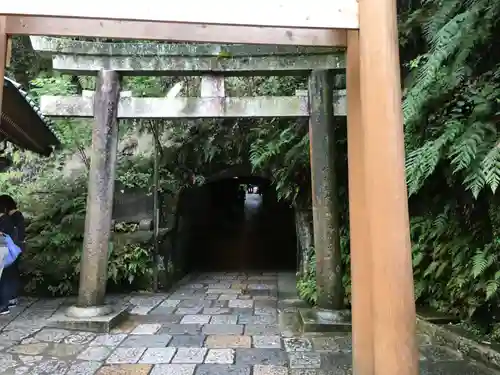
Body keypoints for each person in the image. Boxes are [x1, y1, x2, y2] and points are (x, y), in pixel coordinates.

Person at [0, 195, 24, 312]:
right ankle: (10, 298)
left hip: (10, 249)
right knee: (10, 274)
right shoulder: (12, 217)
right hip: (13, 249)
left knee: (7, 275)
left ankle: (7, 301)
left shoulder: (9, 218)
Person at [0, 199, 15, 315]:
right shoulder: (6, 219)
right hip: (4, 250)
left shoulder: (4, 220)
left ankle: (4, 305)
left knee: (3, 278)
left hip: (2, 250)